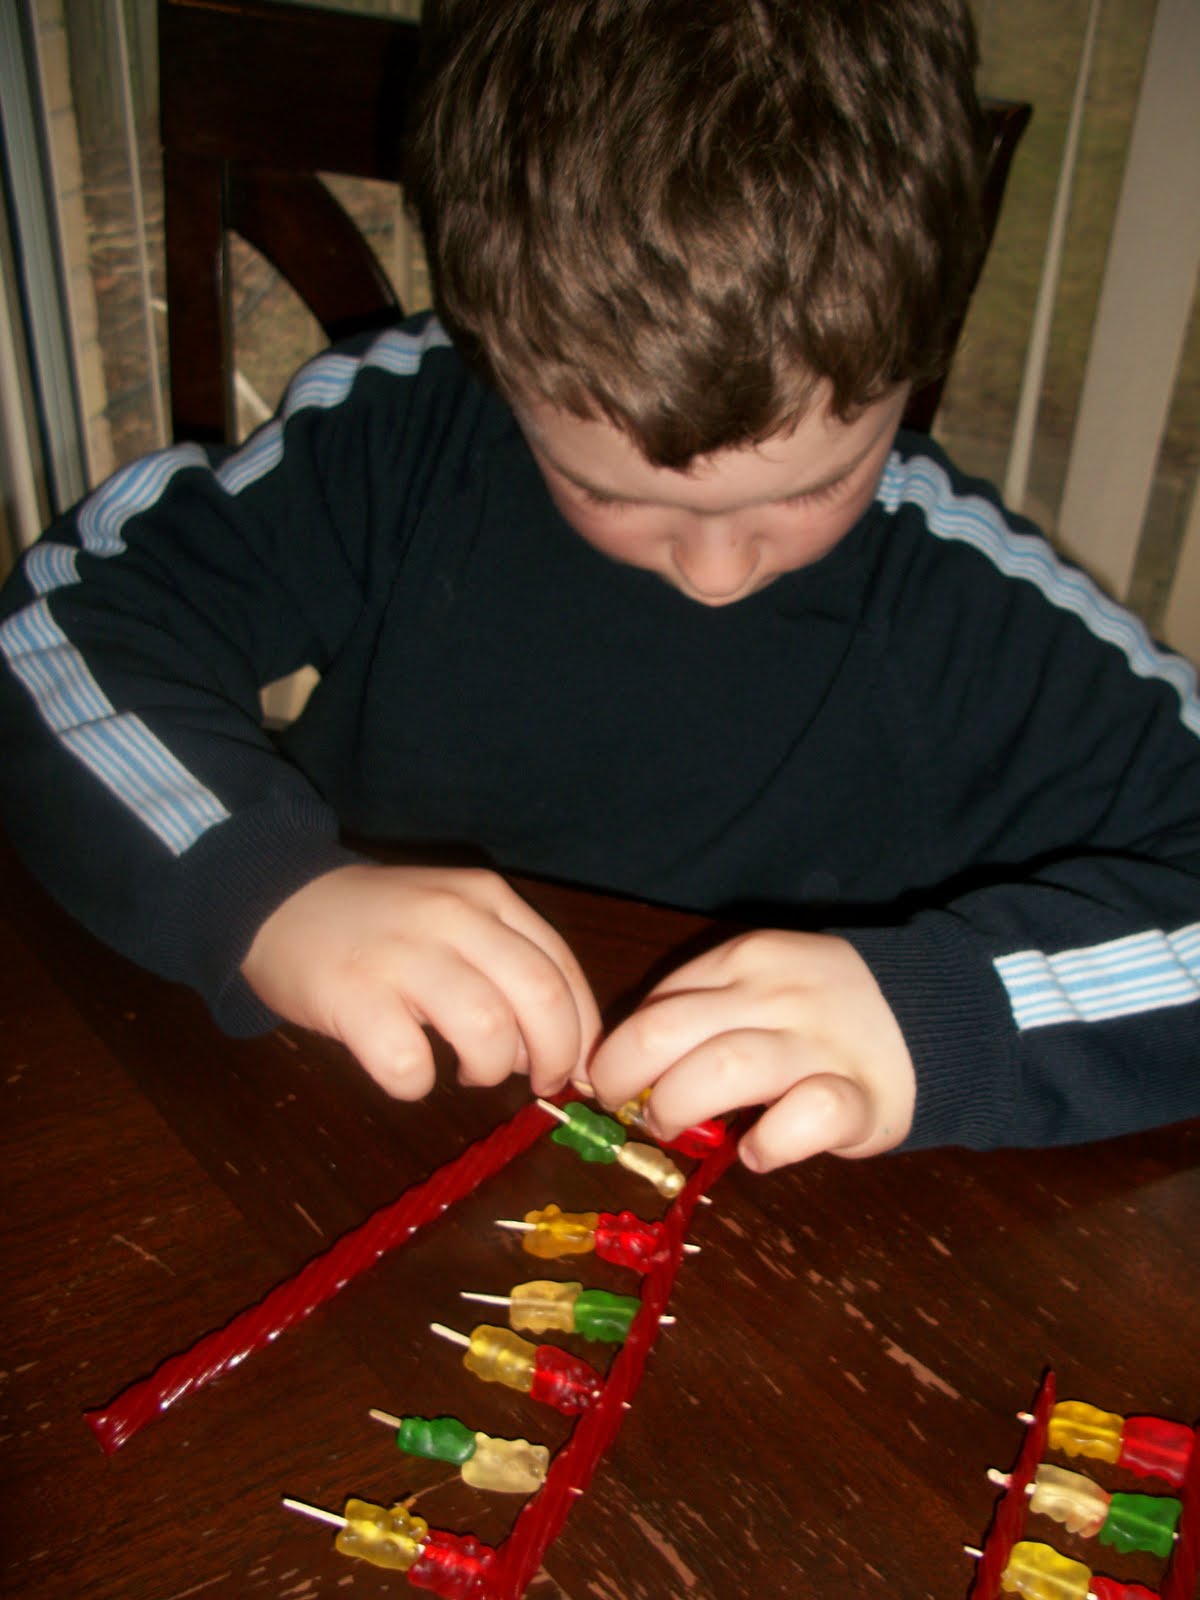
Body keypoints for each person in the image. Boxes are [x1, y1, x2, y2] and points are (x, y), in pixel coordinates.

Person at [1, 0, 1197, 1175]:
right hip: (336, 1131)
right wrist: (264, 889)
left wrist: (939, 1019)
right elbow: (56, 631)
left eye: (819, 481)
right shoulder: (402, 437)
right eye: (615, 490)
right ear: (495, 353)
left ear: (917, 354)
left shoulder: (973, 612)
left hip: (770, 1228)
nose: (720, 569)